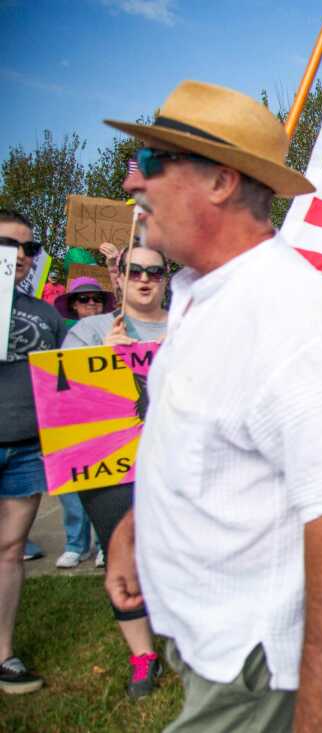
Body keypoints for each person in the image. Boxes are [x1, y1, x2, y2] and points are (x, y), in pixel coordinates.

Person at [104, 80, 322, 731]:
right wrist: (134, 530)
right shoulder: (201, 293)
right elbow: (192, 442)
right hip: (212, 637)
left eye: (152, 162)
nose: (133, 181)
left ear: (221, 182)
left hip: (258, 661)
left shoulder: (284, 312)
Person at [61, 244, 169, 698]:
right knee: (125, 557)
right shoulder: (90, 329)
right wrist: (101, 362)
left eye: (155, 271)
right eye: (134, 270)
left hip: (181, 462)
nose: (145, 278)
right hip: (112, 468)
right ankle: (143, 654)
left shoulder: (192, 327)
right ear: (118, 277)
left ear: (166, 278)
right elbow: (65, 399)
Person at [0, 209, 67, 695]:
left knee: (9, 551)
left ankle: (3, 655)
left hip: (26, 445)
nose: (20, 256)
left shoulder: (47, 314)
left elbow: (71, 374)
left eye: (27, 247)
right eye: (8, 245)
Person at [48, 276, 119, 569]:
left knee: (105, 489)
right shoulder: (63, 332)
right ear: (73, 305)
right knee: (72, 493)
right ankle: (77, 544)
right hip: (74, 419)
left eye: (96, 299)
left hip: (107, 419)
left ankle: (105, 544)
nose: (91, 304)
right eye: (83, 299)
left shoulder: (117, 327)